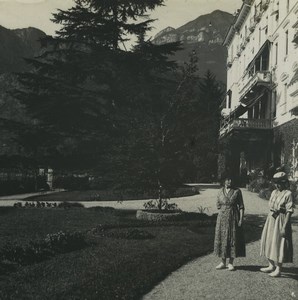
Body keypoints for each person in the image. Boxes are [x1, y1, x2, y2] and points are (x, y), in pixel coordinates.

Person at [260, 172, 294, 277]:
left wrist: (284, 226)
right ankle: (271, 265)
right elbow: (271, 206)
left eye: (279, 183)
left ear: (284, 183)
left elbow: (289, 211)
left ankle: (279, 268)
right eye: (276, 183)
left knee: (279, 242)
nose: (277, 185)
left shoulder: (288, 194)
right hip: (271, 218)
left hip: (281, 219)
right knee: (269, 240)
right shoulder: (274, 192)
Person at [214, 174, 246, 270]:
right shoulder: (220, 191)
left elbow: (241, 206)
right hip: (222, 218)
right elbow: (218, 205)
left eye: (231, 179)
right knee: (223, 238)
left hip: (233, 217)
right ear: (224, 181)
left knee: (233, 238)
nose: (230, 181)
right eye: (228, 179)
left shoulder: (237, 191)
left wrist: (241, 219)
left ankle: (231, 262)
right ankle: (223, 262)